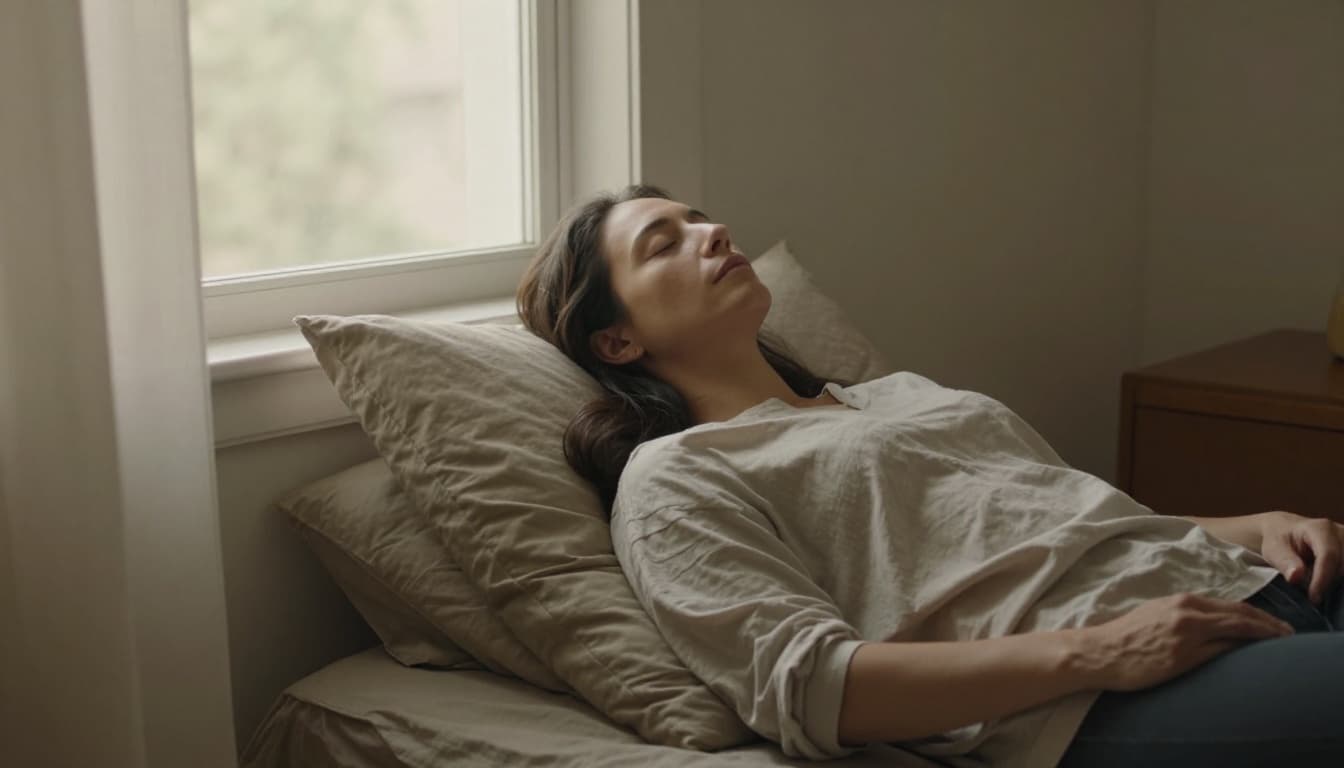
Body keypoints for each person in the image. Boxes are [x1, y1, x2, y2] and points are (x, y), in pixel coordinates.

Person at [515, 184, 1344, 767]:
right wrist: (1096, 653)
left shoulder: (894, 395)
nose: (714, 232)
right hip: (1107, 692)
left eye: (700, 218)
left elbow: (1072, 524)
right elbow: (813, 688)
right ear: (617, 341)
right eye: (664, 244)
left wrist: (1255, 527)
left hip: (1241, 579)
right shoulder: (675, 478)